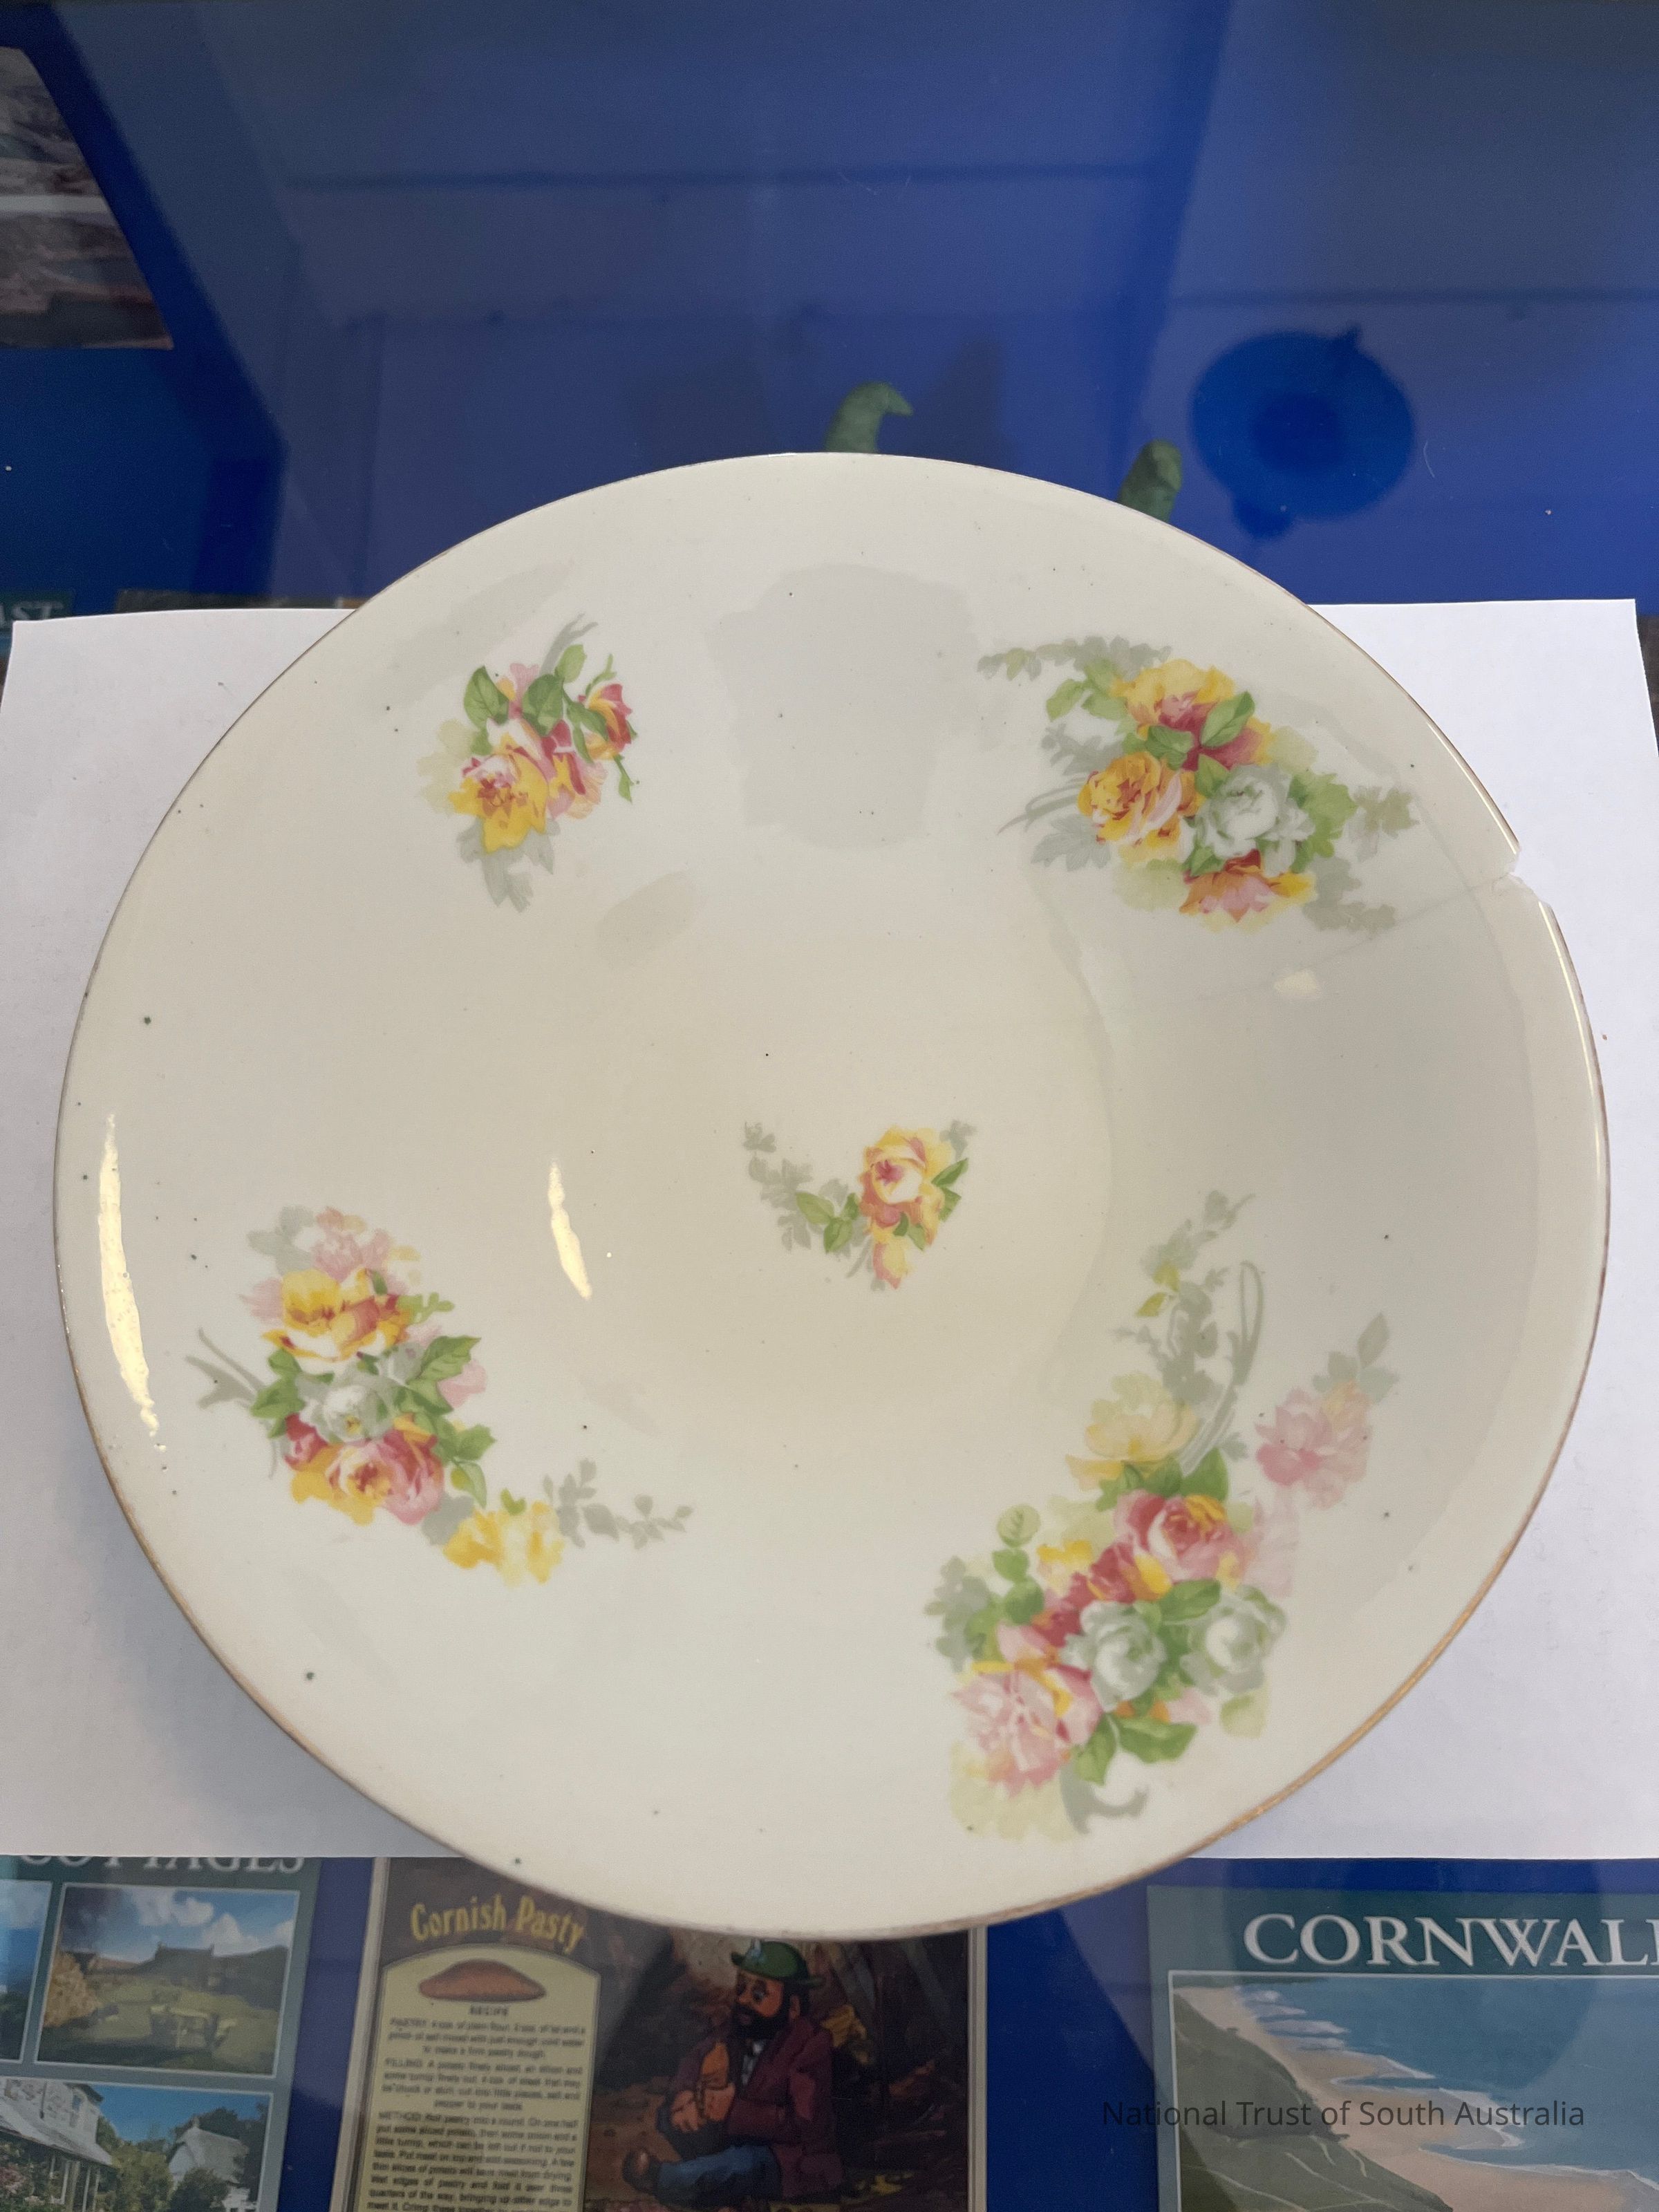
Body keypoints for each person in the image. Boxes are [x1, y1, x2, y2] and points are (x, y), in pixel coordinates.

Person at [621, 1940, 844, 2209]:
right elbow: (696, 2057)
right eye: (741, 1988)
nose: (743, 2000)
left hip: (787, 2156)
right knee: (668, 2117)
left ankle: (663, 2179)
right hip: (735, 2137)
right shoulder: (738, 2028)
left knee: (742, 2163)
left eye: (758, 1995)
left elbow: (804, 2125)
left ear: (793, 2007)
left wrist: (733, 2111)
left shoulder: (811, 2044)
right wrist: (684, 2094)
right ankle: (714, 2186)